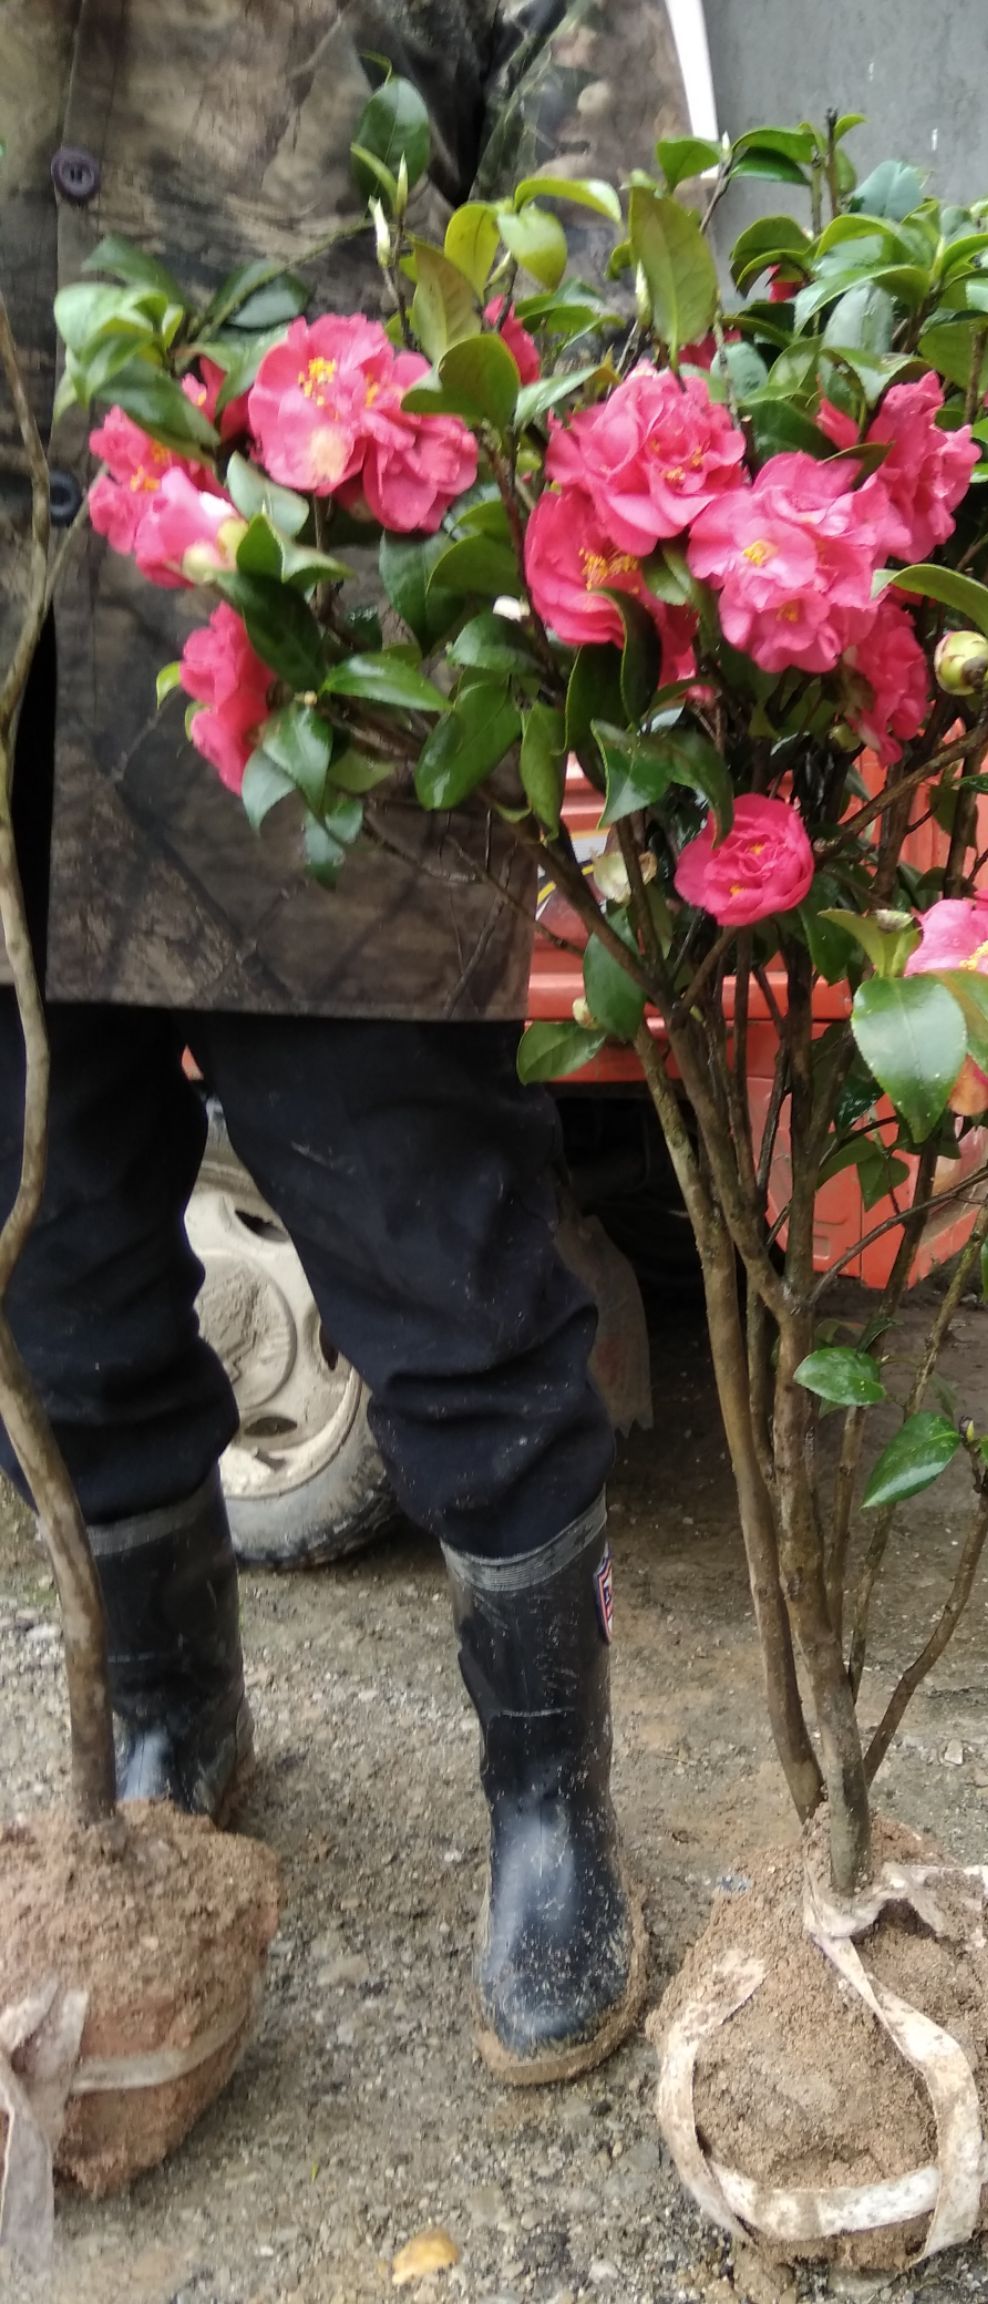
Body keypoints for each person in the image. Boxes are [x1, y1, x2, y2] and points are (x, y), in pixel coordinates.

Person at [0, 3, 691, 2085]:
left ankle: (550, 1798)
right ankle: (167, 1715)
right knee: (60, 1268)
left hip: (320, 678)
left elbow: (601, 236)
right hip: (16, 662)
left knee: (443, 1275)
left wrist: (435, 545)